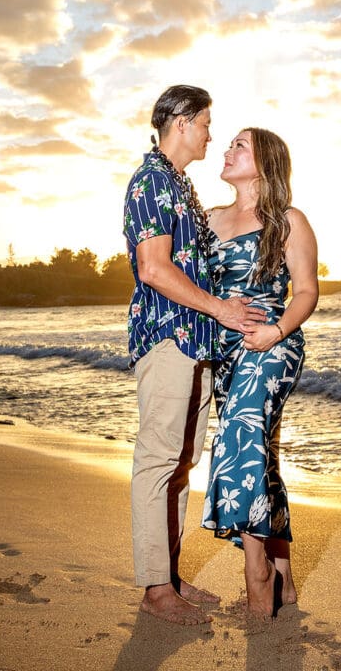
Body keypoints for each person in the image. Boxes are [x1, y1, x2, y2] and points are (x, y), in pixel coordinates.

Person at [123, 86, 266, 626]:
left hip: (196, 341)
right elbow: (154, 268)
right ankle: (155, 588)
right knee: (157, 461)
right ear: (181, 122)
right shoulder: (152, 180)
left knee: (181, 466)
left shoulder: (180, 183)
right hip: (167, 338)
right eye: (206, 122)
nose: (211, 133)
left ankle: (171, 574)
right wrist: (221, 310)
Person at [201, 127, 319, 617]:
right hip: (222, 350)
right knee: (258, 456)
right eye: (228, 144)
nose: (227, 151)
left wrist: (276, 332)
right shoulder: (206, 219)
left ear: (265, 162)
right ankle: (285, 578)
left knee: (240, 435)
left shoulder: (288, 221)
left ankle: (258, 572)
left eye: (239, 146)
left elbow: (307, 292)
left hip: (272, 344)